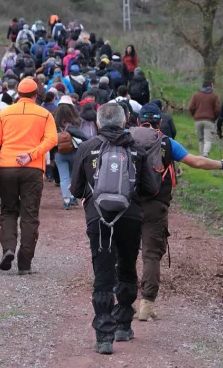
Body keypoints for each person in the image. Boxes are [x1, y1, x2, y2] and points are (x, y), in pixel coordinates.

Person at [131, 103, 223, 321]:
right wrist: (222, 165)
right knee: (150, 254)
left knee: (125, 253)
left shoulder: (124, 137)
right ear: (160, 122)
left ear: (138, 120)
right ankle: (146, 306)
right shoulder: (167, 142)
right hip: (155, 205)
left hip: (126, 204)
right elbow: (196, 161)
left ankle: (124, 302)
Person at [70, 103, 159, 355]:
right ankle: (123, 325)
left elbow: (76, 189)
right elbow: (151, 188)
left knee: (103, 273)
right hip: (129, 216)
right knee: (127, 269)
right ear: (125, 121)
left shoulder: (87, 148)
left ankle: (103, 337)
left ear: (98, 123)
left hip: (97, 218)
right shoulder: (137, 149)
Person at [0, 78, 58, 275]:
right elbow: (52, 139)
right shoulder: (44, 115)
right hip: (33, 169)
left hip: (7, 168)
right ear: (36, 95)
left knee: (8, 211)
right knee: (30, 215)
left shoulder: (4, 113)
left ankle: (8, 248)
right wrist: (32, 154)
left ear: (18, 94)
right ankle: (25, 264)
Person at [53, 97, 88, 210]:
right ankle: (73, 196)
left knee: (63, 177)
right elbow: (83, 137)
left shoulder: (53, 121)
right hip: (74, 152)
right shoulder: (76, 121)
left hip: (59, 152)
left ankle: (66, 200)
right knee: (73, 175)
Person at [189, 81, 221, 157]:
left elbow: (191, 108)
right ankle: (205, 154)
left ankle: (201, 155)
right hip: (209, 120)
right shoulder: (214, 96)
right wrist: (214, 117)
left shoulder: (196, 96)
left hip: (198, 120)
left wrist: (195, 115)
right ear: (210, 86)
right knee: (208, 139)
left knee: (200, 139)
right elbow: (217, 109)